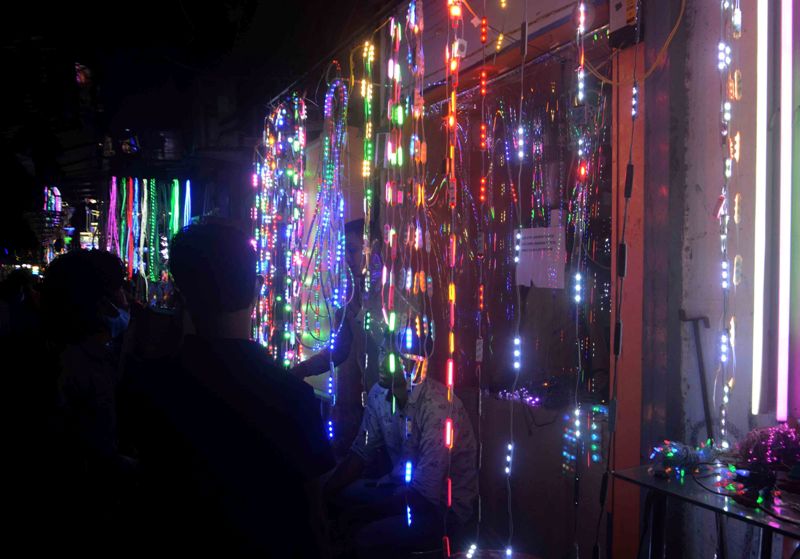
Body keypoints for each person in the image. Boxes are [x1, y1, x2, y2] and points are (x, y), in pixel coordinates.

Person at [120, 222, 335, 557]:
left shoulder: (149, 385)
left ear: (180, 294)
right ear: (257, 287)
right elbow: (314, 517)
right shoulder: (294, 398)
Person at [324, 353, 478, 558]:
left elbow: (425, 496)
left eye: (392, 354)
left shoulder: (438, 407)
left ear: (413, 361)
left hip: (442, 510)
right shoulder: (379, 394)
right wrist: (324, 492)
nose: (382, 361)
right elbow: (361, 452)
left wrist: (364, 513)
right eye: (381, 351)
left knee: (366, 536)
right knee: (343, 497)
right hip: (401, 489)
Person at [291, 219, 383, 456]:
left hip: (397, 401)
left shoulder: (389, 294)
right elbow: (340, 349)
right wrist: (302, 370)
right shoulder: (350, 295)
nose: (347, 259)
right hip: (371, 400)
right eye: (344, 252)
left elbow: (390, 344)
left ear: (372, 250)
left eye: (352, 250)